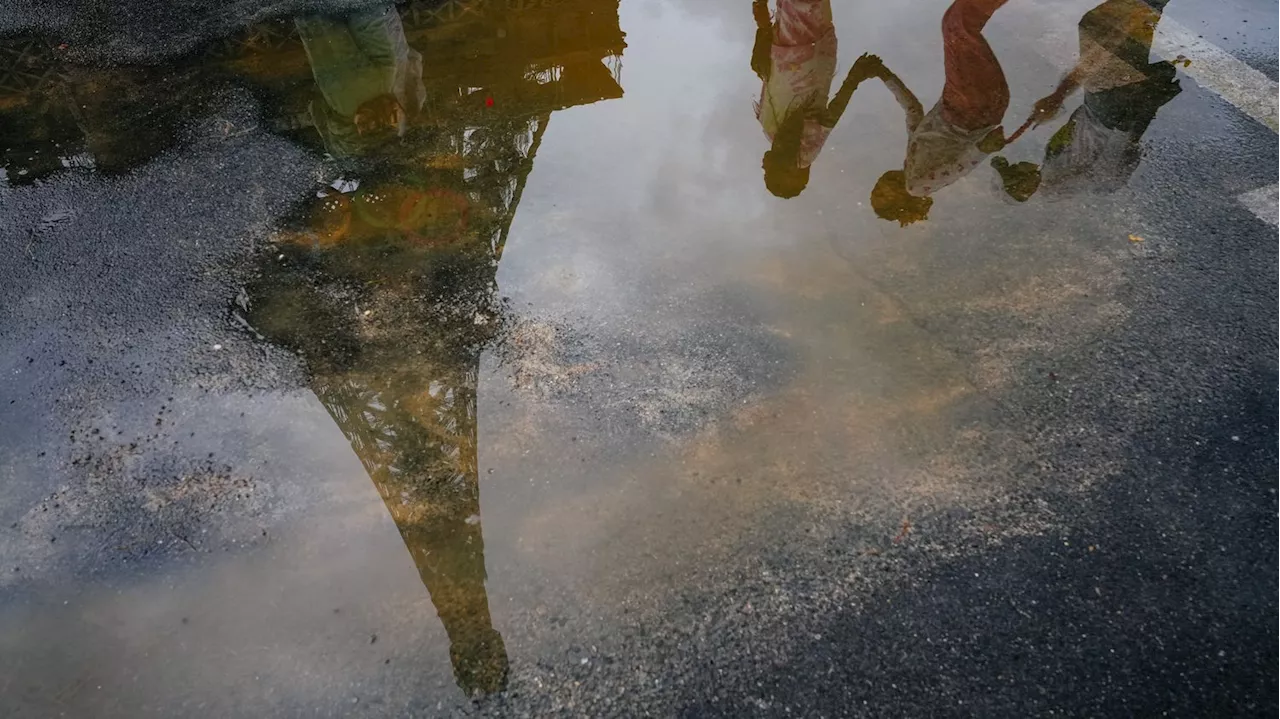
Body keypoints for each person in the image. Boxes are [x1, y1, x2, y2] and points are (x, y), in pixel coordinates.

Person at [1004, 0, 1180, 198]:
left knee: (1106, 31)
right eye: (1015, 172)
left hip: (1101, 105)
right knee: (1104, 30)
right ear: (1023, 189)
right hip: (1109, 112)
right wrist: (1126, 129)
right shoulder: (1053, 183)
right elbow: (1105, 174)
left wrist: (1057, 100)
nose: (1017, 165)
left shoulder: (1048, 170)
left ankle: (1145, 8)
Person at [865, 0, 1014, 225]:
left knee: (959, 29)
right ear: (902, 202)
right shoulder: (915, 187)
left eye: (875, 189)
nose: (880, 186)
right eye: (883, 195)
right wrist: (982, 149)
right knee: (957, 28)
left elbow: (913, 111)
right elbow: (956, 169)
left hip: (970, 104)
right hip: (969, 109)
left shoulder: (912, 166)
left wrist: (885, 75)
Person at [752, 0, 882, 198]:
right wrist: (856, 77)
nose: (764, 167)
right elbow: (829, 117)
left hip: (794, 50)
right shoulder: (801, 154)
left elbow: (767, 76)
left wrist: (764, 29)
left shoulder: (773, 134)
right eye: (769, 172)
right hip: (802, 53)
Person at [295, 4, 425, 157]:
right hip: (315, 17)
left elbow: (408, 61)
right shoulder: (345, 119)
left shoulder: (390, 89)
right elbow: (316, 107)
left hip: (365, 18)